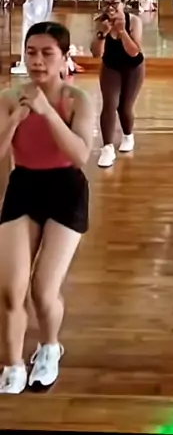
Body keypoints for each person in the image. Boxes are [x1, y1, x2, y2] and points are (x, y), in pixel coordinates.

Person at [0, 22, 93, 394]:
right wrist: (15, 119)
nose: (37, 61)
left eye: (47, 53)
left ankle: (50, 346)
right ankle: (12, 364)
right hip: (24, 186)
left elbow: (81, 155)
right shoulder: (10, 97)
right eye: (31, 52)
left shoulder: (76, 100)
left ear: (64, 58)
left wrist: (47, 112)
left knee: (42, 289)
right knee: (10, 289)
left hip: (66, 189)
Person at [91, 0, 145, 168]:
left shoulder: (134, 21)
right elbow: (96, 54)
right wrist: (102, 34)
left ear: (123, 4)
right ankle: (107, 148)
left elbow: (134, 52)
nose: (110, 8)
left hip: (133, 68)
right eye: (107, 4)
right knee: (109, 104)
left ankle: (128, 135)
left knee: (124, 107)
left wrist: (122, 32)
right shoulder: (100, 22)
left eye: (115, 3)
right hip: (111, 67)